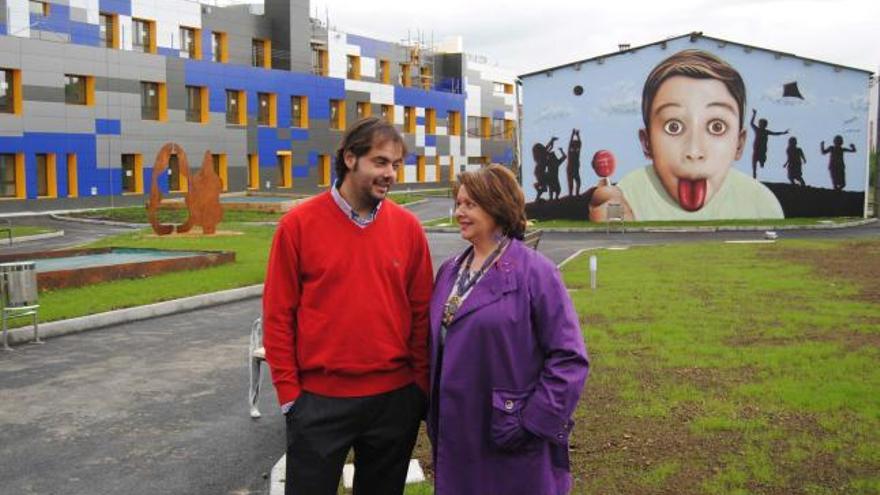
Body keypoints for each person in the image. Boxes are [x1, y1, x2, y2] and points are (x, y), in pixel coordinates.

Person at [263, 117, 433, 495]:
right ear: (350, 158)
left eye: (395, 164)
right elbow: (278, 315)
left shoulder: (408, 228)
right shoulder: (298, 226)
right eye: (380, 162)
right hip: (319, 402)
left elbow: (422, 312)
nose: (390, 173)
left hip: (394, 401)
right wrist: (290, 395)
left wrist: (418, 387)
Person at [428, 165, 589, 495]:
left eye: (470, 204)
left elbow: (569, 359)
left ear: (496, 205)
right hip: (457, 435)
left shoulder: (536, 273)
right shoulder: (449, 271)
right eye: (458, 203)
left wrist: (530, 423)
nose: (459, 212)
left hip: (510, 438)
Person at [589, 49, 785, 221]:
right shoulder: (627, 195)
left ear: (739, 144)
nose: (694, 151)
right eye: (673, 127)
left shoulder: (761, 204)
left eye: (717, 127)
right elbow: (616, 243)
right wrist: (615, 229)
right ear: (647, 143)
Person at [750, 109, 789, 179]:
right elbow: (751, 123)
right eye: (760, 123)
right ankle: (754, 176)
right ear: (759, 124)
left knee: (762, 158)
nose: (761, 125)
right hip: (756, 149)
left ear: (765, 125)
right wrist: (754, 114)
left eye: (763, 124)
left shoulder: (766, 132)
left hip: (762, 149)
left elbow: (775, 133)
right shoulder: (757, 130)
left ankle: (762, 162)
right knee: (754, 162)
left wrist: (783, 132)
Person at [566, 129, 582, 196]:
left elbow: (580, 144)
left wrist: (577, 135)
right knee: (571, 183)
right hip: (571, 169)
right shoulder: (571, 151)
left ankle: (576, 194)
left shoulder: (576, 151)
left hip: (574, 169)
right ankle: (571, 195)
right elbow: (572, 143)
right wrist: (574, 135)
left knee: (578, 182)